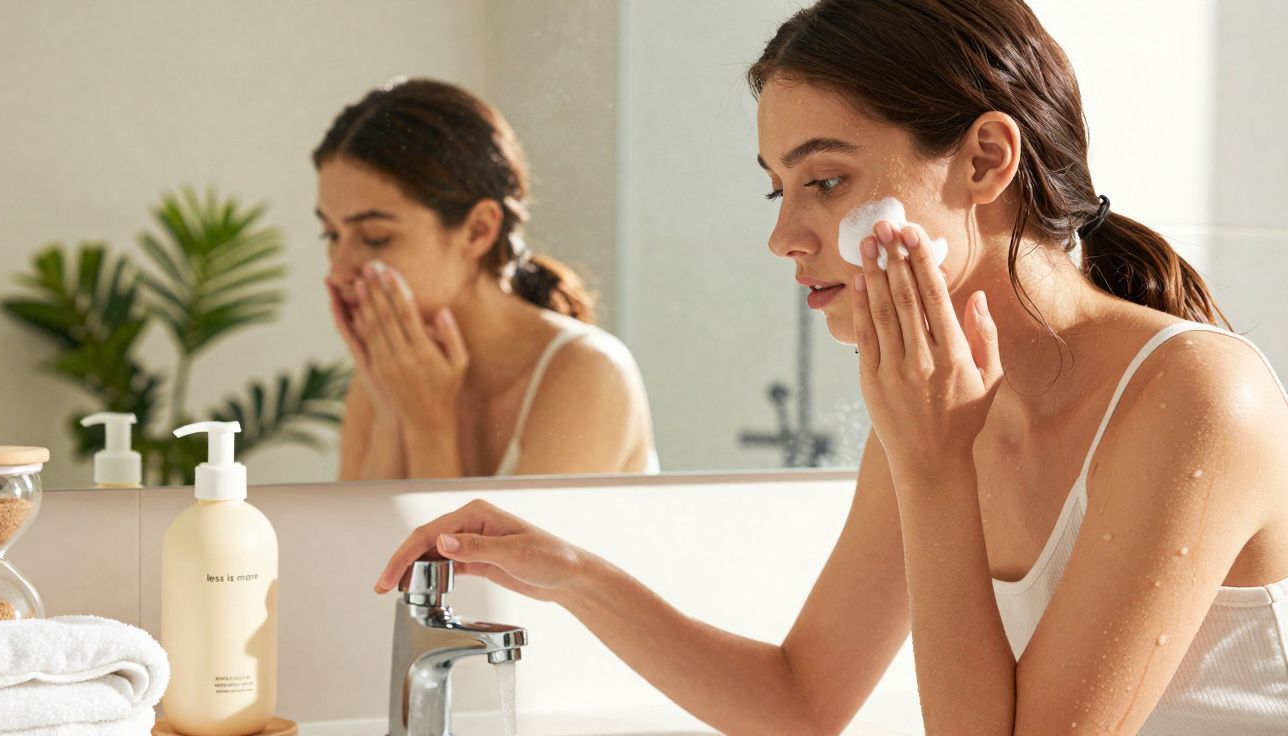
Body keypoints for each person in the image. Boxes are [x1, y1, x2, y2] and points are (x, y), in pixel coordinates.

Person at [373, 3, 1288, 733]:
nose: (782, 236)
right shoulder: (935, 399)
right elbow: (801, 701)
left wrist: (934, 467)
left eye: (825, 181)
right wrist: (573, 573)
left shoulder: (1199, 396)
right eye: (779, 188)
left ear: (986, 159)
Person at [315, 77, 658, 480]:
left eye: (376, 237)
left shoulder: (591, 374)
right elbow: (357, 540)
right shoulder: (386, 375)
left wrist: (429, 427)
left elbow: (459, 546)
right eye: (332, 235)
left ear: (478, 230)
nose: (339, 269)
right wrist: (392, 412)